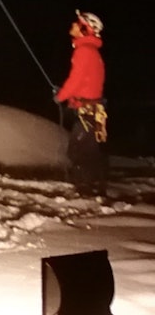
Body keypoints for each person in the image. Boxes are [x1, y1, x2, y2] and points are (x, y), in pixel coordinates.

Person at [54, 10, 107, 191]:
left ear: (85, 29)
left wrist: (61, 96)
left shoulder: (84, 51)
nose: (73, 25)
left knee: (79, 151)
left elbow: (76, 81)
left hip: (88, 112)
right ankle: (93, 187)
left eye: (77, 23)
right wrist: (67, 93)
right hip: (91, 111)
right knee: (87, 151)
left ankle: (85, 190)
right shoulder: (91, 52)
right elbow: (84, 82)